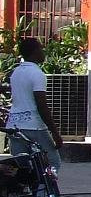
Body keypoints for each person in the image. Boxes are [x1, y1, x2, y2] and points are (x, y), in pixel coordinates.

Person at [5, 37, 64, 171]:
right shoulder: (37, 74)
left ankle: (21, 191)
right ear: (34, 52)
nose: (43, 52)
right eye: (41, 49)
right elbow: (41, 105)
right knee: (53, 163)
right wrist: (55, 133)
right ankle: (42, 193)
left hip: (14, 125)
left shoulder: (16, 72)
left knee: (22, 166)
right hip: (34, 126)